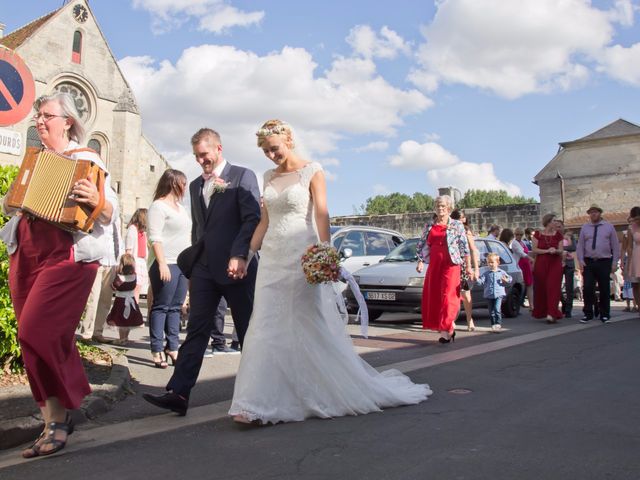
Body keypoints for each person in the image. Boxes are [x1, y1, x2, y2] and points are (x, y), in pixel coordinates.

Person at [228, 120, 430, 424]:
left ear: (289, 140)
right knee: (265, 326)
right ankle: (256, 403)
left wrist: (324, 253)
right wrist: (244, 254)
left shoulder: (313, 170)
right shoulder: (268, 176)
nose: (271, 155)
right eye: (266, 151)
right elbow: (263, 223)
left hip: (302, 255)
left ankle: (316, 391)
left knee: (305, 324)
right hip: (272, 260)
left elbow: (322, 213)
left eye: (275, 149)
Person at [1, 92, 118, 458]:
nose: (39, 120)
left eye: (46, 115)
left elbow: (110, 212)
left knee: (35, 330)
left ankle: (59, 415)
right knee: (35, 337)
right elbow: (10, 204)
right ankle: (54, 416)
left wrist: (94, 200)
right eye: (37, 115)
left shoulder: (86, 159)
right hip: (27, 250)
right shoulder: (35, 161)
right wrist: (14, 198)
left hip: (65, 255)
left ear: (67, 121)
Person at [143, 128, 260, 415]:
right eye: (197, 156)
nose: (201, 161)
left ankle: (258, 394)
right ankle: (178, 393)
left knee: (248, 331)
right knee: (196, 329)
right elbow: (199, 229)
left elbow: (251, 219)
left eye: (204, 155)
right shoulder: (195, 186)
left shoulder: (243, 176)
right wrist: (195, 268)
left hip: (238, 268)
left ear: (218, 148)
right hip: (205, 269)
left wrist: (239, 254)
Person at [147, 169, 191, 368]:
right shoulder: (158, 206)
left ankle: (172, 346)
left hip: (182, 264)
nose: (185, 186)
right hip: (167, 262)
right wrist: (162, 263)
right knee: (161, 306)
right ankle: (157, 349)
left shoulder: (181, 208)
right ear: (174, 183)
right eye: (183, 183)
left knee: (175, 308)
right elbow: (155, 237)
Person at [417, 195, 472, 343]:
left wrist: (469, 267)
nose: (440, 209)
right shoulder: (430, 225)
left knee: (449, 298)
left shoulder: (456, 225)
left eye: (443, 206)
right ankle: (447, 329)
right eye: (438, 206)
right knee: (435, 297)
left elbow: (464, 248)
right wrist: (420, 261)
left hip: (451, 264)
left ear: (449, 208)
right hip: (435, 264)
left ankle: (446, 330)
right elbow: (422, 244)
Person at [77, 220, 123, 343]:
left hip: (111, 261)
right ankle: (87, 333)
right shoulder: (96, 213)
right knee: (93, 298)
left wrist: (118, 262)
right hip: (96, 260)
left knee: (106, 300)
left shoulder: (114, 218)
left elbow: (117, 238)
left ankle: (98, 331)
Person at [576, 204, 620, 323]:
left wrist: (615, 262)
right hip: (589, 261)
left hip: (604, 260)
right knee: (588, 287)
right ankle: (588, 313)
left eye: (595, 212)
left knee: (604, 288)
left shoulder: (609, 227)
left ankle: (604, 313)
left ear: (600, 213)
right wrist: (580, 260)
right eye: (591, 212)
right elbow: (580, 245)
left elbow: (615, 246)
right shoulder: (585, 227)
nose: (593, 214)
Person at [532, 213, 564, 323]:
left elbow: (561, 250)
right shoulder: (538, 234)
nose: (556, 223)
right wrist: (546, 251)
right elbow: (534, 249)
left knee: (553, 287)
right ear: (548, 222)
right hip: (541, 262)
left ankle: (552, 313)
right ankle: (543, 311)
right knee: (541, 287)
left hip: (555, 262)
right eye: (554, 221)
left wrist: (555, 250)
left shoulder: (558, 235)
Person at [451, 209, 480, 331]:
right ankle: (451, 320)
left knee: (466, 294)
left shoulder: (467, 231)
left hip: (464, 265)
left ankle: (469, 319)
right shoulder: (450, 230)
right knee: (451, 294)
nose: (461, 220)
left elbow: (473, 250)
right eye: (458, 218)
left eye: (463, 217)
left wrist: (475, 268)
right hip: (452, 264)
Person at [106, 253, 144, 345]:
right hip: (131, 300)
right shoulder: (134, 276)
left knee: (121, 320)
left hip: (121, 300)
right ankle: (126, 337)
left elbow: (113, 286)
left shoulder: (120, 278)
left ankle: (122, 338)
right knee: (128, 320)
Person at [475, 252, 512, 332]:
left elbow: (509, 279)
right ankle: (493, 324)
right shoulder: (486, 274)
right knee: (491, 311)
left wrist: (506, 280)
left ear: (497, 262)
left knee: (497, 309)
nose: (490, 264)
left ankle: (498, 324)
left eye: (492, 262)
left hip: (499, 294)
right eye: (488, 262)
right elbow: (480, 282)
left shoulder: (501, 272)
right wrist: (476, 279)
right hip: (489, 294)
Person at [124, 208, 149, 303]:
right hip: (135, 261)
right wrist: (129, 266)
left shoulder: (143, 233)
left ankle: (135, 308)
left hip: (142, 261)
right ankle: (133, 309)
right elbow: (128, 250)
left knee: (138, 287)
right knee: (134, 288)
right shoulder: (132, 229)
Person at [622, 206, 640, 316]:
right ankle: (639, 306)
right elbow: (629, 247)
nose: (637, 220)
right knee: (636, 284)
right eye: (635, 218)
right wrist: (628, 264)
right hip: (635, 257)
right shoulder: (631, 228)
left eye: (638, 218)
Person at [514, 227, 534, 312]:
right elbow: (521, 253)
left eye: (520, 235)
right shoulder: (514, 243)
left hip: (526, 265)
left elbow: (527, 251)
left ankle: (531, 305)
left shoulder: (522, 242)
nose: (519, 236)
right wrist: (531, 258)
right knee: (522, 285)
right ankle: (518, 304)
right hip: (520, 265)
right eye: (517, 234)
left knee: (529, 285)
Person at [559, 222, 577, 318]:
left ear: (563, 227)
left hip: (569, 263)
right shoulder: (555, 236)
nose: (558, 228)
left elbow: (573, 247)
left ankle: (568, 309)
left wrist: (560, 248)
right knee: (557, 286)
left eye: (560, 226)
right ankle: (564, 302)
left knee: (569, 287)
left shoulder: (570, 236)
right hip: (559, 263)